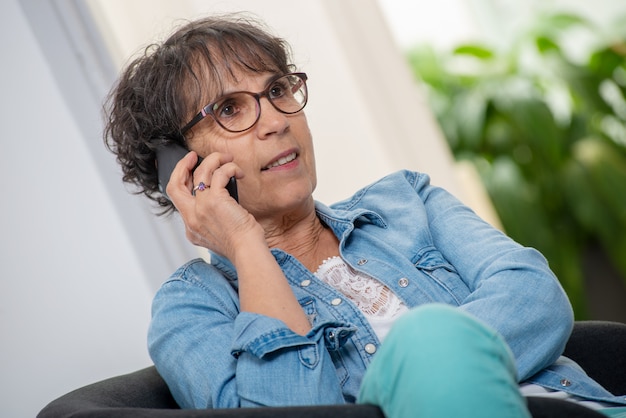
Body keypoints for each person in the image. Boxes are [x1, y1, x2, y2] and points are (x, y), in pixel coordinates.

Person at [103, 14, 626, 418]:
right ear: (180, 165)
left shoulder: (406, 201)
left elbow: (536, 298)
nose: (276, 122)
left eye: (278, 91)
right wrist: (245, 244)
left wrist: (407, 378)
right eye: (231, 110)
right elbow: (292, 412)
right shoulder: (191, 308)